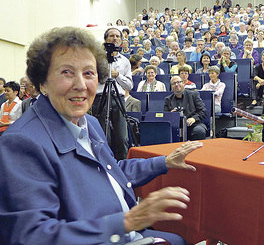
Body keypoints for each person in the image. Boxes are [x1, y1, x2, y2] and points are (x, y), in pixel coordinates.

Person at [0, 26, 202, 245]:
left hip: (128, 232)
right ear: (42, 83)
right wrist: (127, 221)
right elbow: (32, 236)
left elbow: (111, 171)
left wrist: (164, 161)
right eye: (66, 72)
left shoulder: (92, 124)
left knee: (180, 239)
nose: (81, 85)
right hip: (107, 237)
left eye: (89, 73)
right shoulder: (21, 143)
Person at [92, 28, 133, 161]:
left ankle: (123, 166)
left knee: (122, 137)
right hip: (100, 98)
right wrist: (105, 73)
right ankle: (104, 165)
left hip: (118, 98)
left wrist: (117, 75)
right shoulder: (97, 59)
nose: (115, 38)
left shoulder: (125, 61)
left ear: (121, 40)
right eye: (111, 36)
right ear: (106, 40)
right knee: (103, 135)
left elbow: (129, 86)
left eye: (117, 36)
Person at [164, 76, 207, 140]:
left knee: (199, 131)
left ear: (183, 83)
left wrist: (193, 118)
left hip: (193, 124)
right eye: (174, 83)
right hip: (176, 126)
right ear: (171, 86)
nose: (176, 84)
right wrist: (171, 115)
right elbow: (165, 115)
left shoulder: (193, 95)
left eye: (178, 82)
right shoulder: (168, 99)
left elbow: (203, 111)